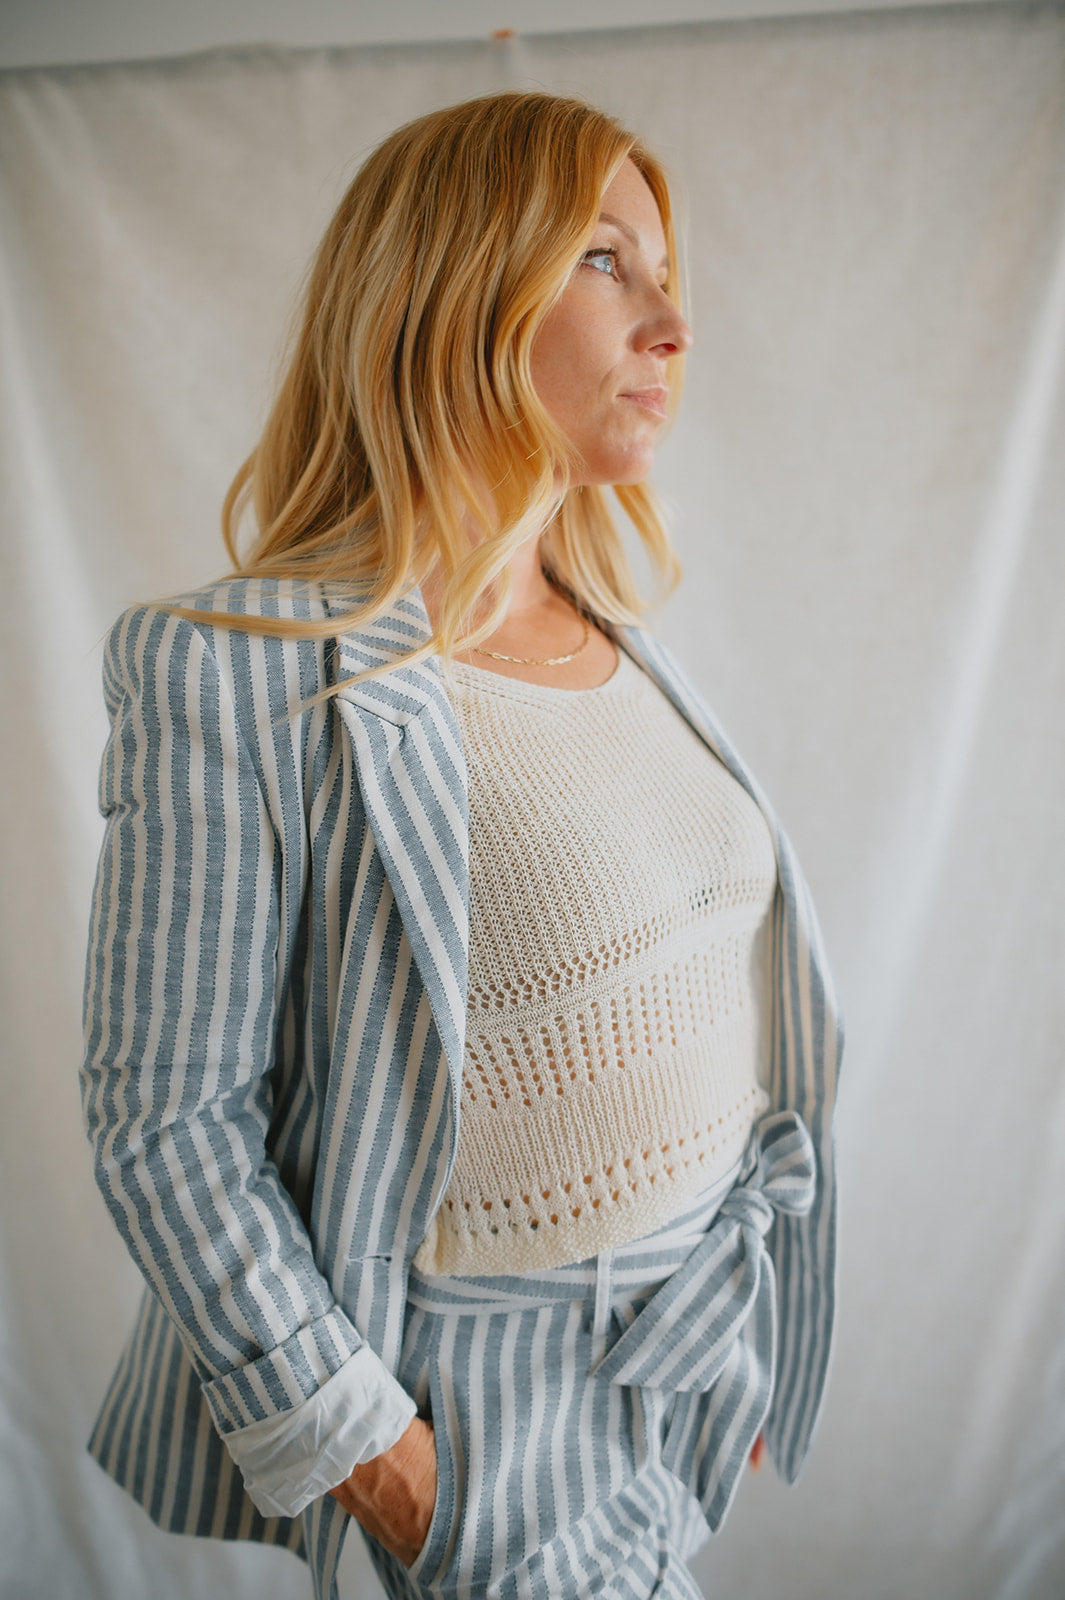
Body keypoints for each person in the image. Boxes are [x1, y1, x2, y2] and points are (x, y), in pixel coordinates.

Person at [81, 91, 842, 1600]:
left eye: (664, 269)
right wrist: (389, 1467)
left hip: (685, 1354)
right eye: (605, 260)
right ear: (453, 291)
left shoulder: (614, 634)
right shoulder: (235, 670)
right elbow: (167, 1124)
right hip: (482, 1412)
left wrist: (732, 1330)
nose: (674, 322)